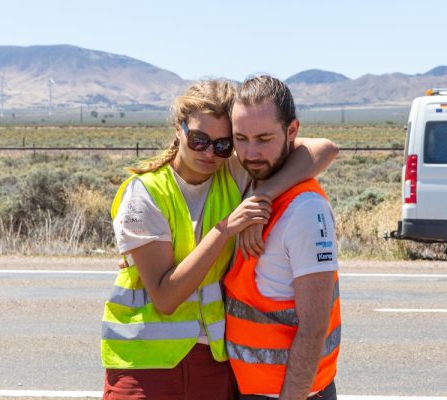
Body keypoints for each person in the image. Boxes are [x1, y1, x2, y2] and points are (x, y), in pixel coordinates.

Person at [101, 79, 338, 400]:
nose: (209, 153)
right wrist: (226, 228)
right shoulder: (145, 192)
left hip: (213, 361)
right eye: (198, 139)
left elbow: (324, 149)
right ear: (178, 128)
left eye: (224, 144)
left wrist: (263, 197)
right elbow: (166, 299)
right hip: (144, 363)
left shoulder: (234, 172)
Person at [224, 75, 341, 400]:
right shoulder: (250, 178)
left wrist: (262, 198)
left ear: (292, 131)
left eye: (264, 138)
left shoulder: (305, 210)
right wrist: (259, 199)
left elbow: (314, 328)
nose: (250, 152)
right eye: (241, 139)